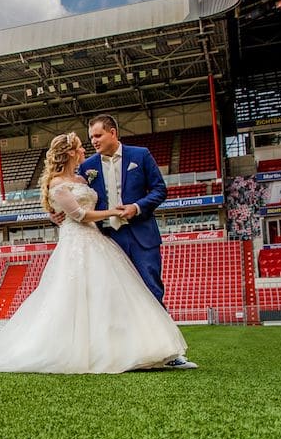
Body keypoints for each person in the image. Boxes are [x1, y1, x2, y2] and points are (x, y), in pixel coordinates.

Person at [0, 132, 188, 374]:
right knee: (73, 298)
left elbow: (101, 200)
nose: (87, 148)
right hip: (77, 243)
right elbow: (77, 214)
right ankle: (87, 351)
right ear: (70, 153)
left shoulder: (84, 177)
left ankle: (138, 349)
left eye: (96, 137)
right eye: (81, 145)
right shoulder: (62, 181)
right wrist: (107, 212)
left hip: (102, 240)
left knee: (112, 296)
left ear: (112, 132)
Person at [77, 113, 197, 369]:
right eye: (91, 138)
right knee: (115, 298)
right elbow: (75, 197)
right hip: (108, 240)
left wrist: (137, 207)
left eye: (98, 136)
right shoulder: (87, 166)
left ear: (113, 133)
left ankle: (170, 354)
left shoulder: (140, 155)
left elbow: (159, 190)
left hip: (142, 236)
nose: (94, 141)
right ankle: (125, 354)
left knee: (152, 291)